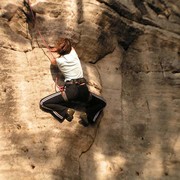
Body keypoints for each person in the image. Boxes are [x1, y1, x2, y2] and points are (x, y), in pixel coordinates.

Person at [39, 38, 106, 126]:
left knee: (43, 103)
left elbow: (52, 61)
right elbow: (69, 48)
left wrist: (52, 51)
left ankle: (66, 111)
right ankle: (88, 115)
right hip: (83, 91)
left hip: (71, 92)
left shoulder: (59, 61)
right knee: (102, 103)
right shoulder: (74, 54)